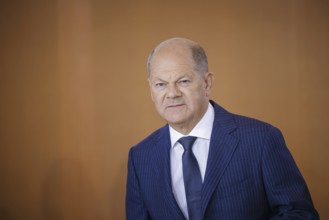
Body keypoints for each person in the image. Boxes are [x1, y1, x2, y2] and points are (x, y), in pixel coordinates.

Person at [125, 37, 319, 220]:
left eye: (183, 81)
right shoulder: (140, 157)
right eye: (161, 84)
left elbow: (300, 214)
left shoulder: (262, 139)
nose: (172, 93)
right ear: (151, 89)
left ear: (207, 83)